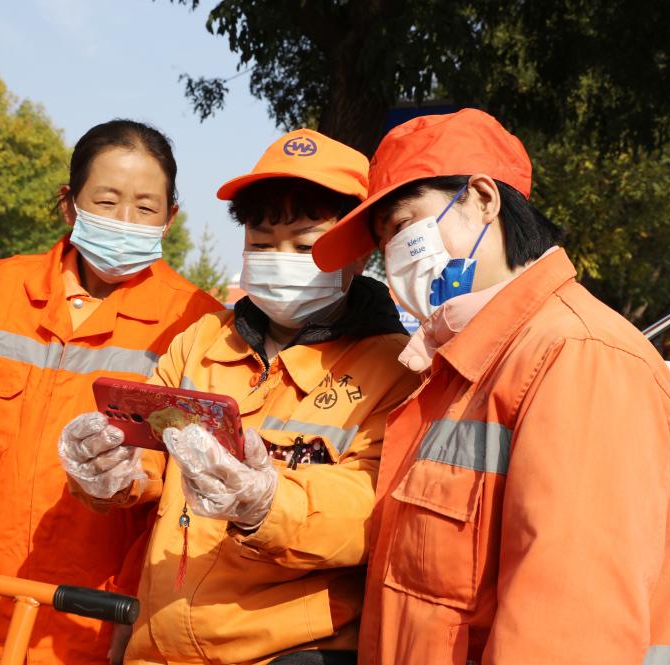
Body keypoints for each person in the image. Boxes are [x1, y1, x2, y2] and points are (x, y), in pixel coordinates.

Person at [312, 109, 670, 665]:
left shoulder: (579, 356)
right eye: (382, 241)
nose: (391, 255)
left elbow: (567, 634)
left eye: (402, 225)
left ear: (483, 198)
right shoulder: (466, 362)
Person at [57, 129, 420, 664]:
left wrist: (267, 503)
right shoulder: (201, 342)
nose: (280, 259)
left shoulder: (396, 369)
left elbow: (376, 511)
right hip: (159, 645)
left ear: (359, 250)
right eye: (262, 243)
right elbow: (150, 457)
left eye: (305, 245)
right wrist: (113, 470)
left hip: (292, 652)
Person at [0, 120, 223, 665]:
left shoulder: (197, 324)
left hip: (93, 628)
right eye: (106, 201)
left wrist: (141, 609)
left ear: (170, 218)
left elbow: (184, 501)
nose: (125, 220)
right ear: (69, 204)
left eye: (145, 207)